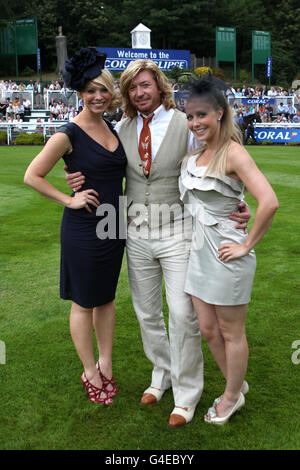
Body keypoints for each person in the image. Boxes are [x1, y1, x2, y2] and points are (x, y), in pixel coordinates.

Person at [65, 59, 251, 427]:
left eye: (146, 85)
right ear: (128, 93)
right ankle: (161, 375)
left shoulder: (185, 123)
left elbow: (224, 153)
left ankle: (186, 395)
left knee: (183, 315)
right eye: (133, 88)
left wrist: (236, 203)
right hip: (134, 231)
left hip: (179, 230)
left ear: (159, 86)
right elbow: (93, 157)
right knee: (147, 314)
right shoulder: (122, 126)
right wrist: (73, 178)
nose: (140, 93)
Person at [24, 48, 127, 406]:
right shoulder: (67, 134)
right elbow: (32, 175)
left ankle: (106, 362)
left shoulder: (112, 126)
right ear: (79, 94)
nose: (98, 97)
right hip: (84, 230)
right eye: (90, 91)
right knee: (84, 302)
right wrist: (69, 199)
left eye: (103, 90)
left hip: (115, 227)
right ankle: (90, 371)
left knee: (107, 299)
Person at [179, 77, 278, 425]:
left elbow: (269, 202)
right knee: (208, 329)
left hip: (226, 254)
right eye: (190, 116)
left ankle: (231, 396)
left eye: (202, 114)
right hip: (199, 253)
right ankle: (237, 384)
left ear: (220, 113)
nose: (195, 123)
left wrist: (246, 244)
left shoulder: (234, 152)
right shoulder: (195, 154)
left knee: (231, 331)